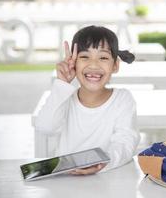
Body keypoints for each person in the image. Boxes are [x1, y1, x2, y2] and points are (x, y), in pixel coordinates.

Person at [34, 25, 140, 175]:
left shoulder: (123, 99)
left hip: (107, 182)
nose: (94, 65)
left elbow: (125, 142)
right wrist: (62, 84)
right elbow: (45, 127)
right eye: (84, 57)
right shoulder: (63, 97)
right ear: (73, 62)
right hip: (66, 184)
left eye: (103, 57)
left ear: (115, 65)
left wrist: (103, 163)